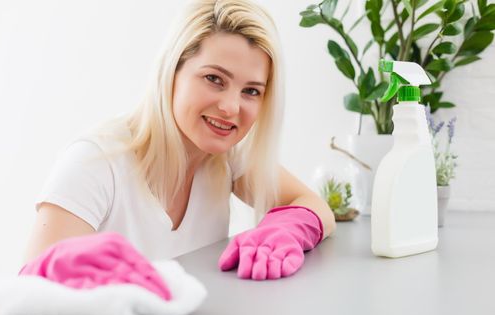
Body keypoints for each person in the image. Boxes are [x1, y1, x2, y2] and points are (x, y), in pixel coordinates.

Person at [24, 0, 336, 280]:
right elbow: (33, 293)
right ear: (172, 71)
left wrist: (286, 230)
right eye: (214, 79)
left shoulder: (228, 159)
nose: (231, 107)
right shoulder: (94, 164)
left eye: (251, 91)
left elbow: (315, 206)